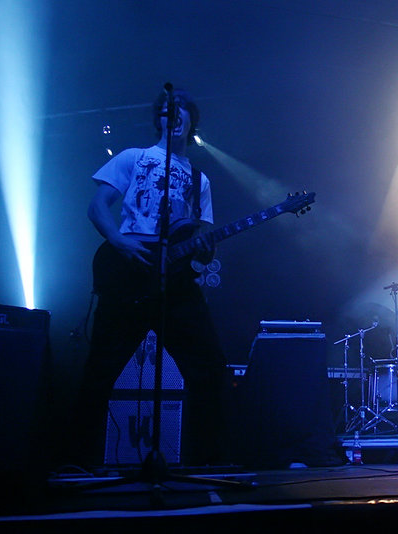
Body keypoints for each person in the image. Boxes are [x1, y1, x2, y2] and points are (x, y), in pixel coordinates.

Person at [72, 88, 227, 467]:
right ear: (158, 119)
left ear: (191, 120)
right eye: (165, 110)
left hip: (176, 281)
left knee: (208, 367)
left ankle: (208, 461)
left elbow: (203, 241)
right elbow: (97, 207)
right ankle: (75, 460)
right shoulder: (133, 157)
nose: (171, 115)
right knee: (101, 368)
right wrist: (119, 241)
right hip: (130, 270)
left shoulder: (199, 179)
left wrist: (205, 250)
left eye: (179, 110)